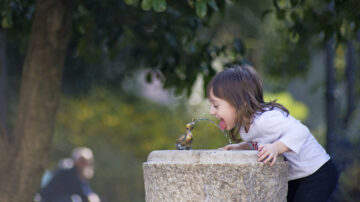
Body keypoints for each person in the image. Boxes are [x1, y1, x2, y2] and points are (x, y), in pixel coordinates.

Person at [207, 64, 338, 202]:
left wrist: (276, 148)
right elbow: (262, 141)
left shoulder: (265, 119)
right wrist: (241, 147)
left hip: (317, 172)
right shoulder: (244, 127)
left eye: (216, 105)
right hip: (298, 176)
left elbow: (301, 132)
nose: (211, 111)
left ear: (242, 102)